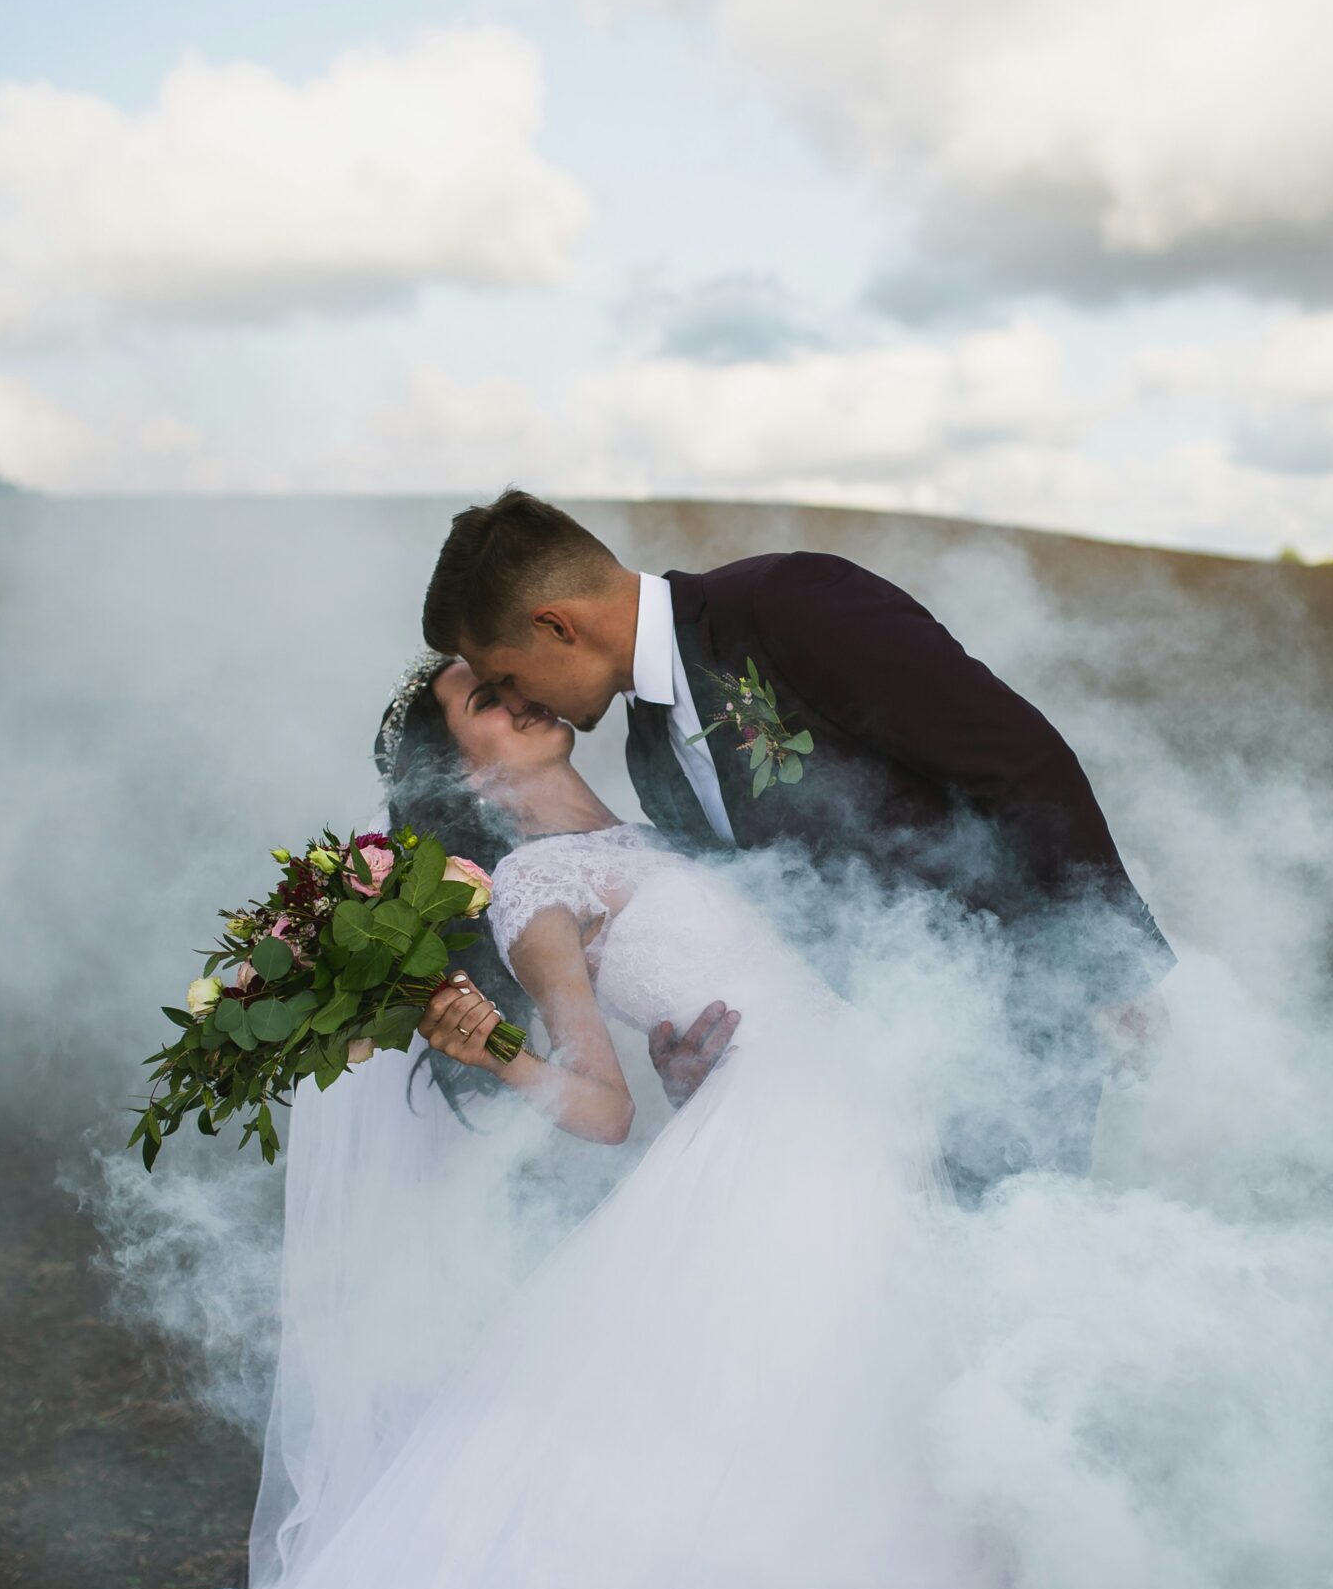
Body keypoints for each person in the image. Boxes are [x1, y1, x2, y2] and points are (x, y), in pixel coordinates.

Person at [48, 651, 1061, 1589]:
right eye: (478, 694)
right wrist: (506, 1058)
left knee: (875, 1467)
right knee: (759, 1465)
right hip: (768, 1179)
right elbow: (597, 1106)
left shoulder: (656, 813)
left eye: (506, 672)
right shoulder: (535, 893)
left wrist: (732, 1051)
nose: (511, 689)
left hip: (849, 1138)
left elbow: (737, 995)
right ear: (466, 767)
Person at [423, 489, 1174, 1175]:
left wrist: (1108, 967)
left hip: (1006, 1020)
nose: (525, 702)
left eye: (509, 676)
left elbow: (1016, 759)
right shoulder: (648, 753)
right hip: (868, 1079)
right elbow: (760, 916)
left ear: (556, 625)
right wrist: (701, 1058)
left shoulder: (789, 603)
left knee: (1015, 1276)